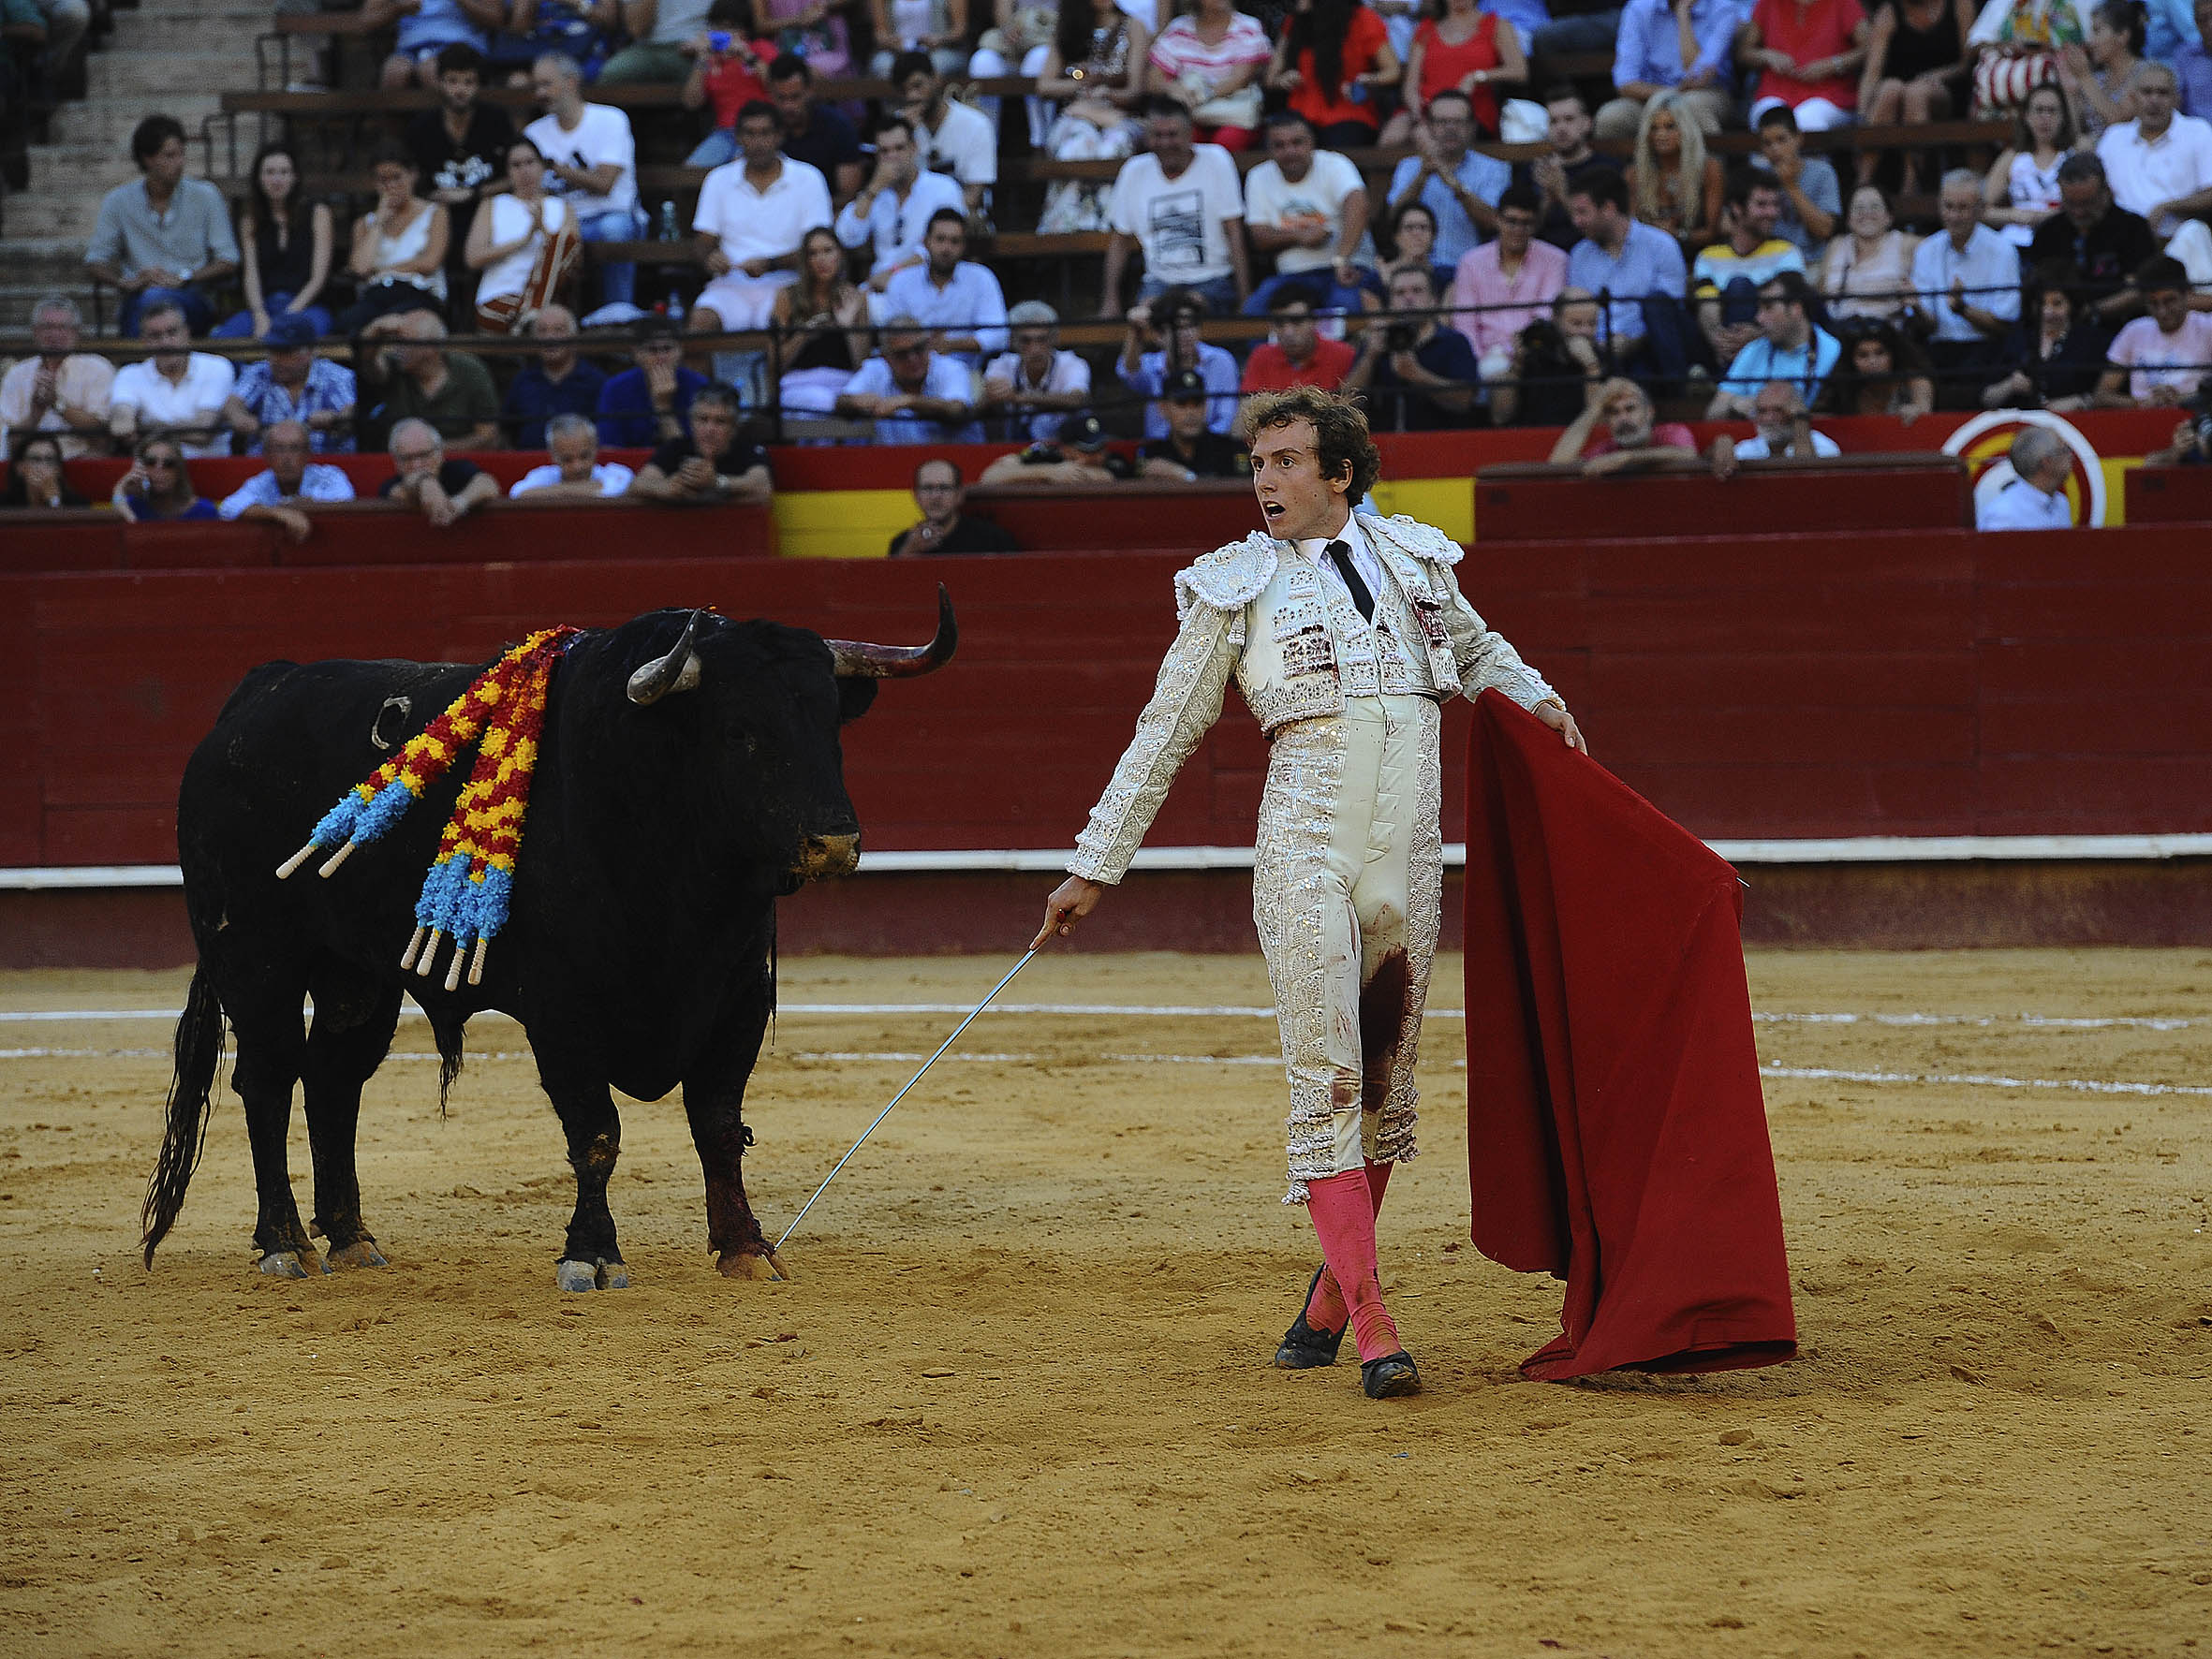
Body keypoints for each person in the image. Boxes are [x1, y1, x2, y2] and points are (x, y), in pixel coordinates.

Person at [1035, 385, 1585, 1403]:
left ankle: (1329, 1301)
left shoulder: (1418, 559)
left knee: (1383, 1086)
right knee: (1330, 1080)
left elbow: (1473, 653)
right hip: (1302, 852)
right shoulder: (1232, 586)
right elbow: (1163, 731)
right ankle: (1376, 1323)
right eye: (1257, 462)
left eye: (1287, 460)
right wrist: (1095, 862)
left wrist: (1538, 699)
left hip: (1404, 861)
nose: (1265, 479)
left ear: (1340, 474)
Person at [691, 99, 835, 340]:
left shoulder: (809, 179)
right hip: (730, 285)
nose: (758, 142)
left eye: (765, 133)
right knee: (699, 325)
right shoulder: (718, 179)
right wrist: (710, 258)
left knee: (778, 328)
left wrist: (771, 265)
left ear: (780, 136)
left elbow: (818, 248)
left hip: (788, 285)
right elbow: (702, 242)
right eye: (750, 134)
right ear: (737, 137)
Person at [84, 114, 240, 337]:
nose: (179, 163)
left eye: (181, 154)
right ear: (148, 159)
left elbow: (229, 260)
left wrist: (185, 277)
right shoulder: (118, 201)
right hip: (139, 293)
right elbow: (94, 261)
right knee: (146, 302)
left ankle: (138, 364)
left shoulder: (205, 195)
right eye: (170, 156)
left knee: (152, 304)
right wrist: (125, 282)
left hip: (192, 295)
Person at [1102, 98, 1250, 316]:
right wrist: (1110, 300)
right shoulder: (1134, 171)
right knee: (1142, 315)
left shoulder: (1216, 160)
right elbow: (1119, 239)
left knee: (1185, 311)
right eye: (1158, 135)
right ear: (1147, 137)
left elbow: (1234, 231)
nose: (1165, 143)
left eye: (1172, 135)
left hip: (1213, 280)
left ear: (1190, 134)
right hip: (1158, 282)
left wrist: (1245, 297)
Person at [524, 51, 644, 308]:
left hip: (610, 216)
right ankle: (548, 320)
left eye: (546, 84)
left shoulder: (610, 119)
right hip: (560, 223)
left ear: (571, 82)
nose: (540, 93)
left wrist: (560, 170)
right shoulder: (534, 132)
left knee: (614, 231)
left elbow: (605, 184)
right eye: (536, 86)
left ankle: (618, 314)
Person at [403, 42, 516, 286]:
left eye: (468, 82)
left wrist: (470, 194)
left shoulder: (496, 122)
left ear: (478, 85)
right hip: (438, 215)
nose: (460, 90)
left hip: (489, 213)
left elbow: (514, 177)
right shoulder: (421, 128)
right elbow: (413, 183)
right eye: (452, 81)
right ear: (440, 82)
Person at [1033, 0, 1149, 236]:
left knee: (1112, 149)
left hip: (1119, 116)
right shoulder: (1067, 28)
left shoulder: (1134, 27)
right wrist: (1080, 87)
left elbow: (1136, 90)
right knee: (1075, 149)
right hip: (1077, 113)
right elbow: (1045, 85)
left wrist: (1106, 92)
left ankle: (1111, 227)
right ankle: (1065, 230)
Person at [1241, 110, 1371, 316]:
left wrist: (1342, 259)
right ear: (1269, 149)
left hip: (1344, 270)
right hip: (1291, 276)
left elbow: (1358, 205)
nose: (1289, 151)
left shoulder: (1335, 164)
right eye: (1279, 145)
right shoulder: (1259, 176)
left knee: (1348, 307)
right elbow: (1259, 237)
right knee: (1254, 311)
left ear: (1312, 142)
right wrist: (1300, 235)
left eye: (1297, 142)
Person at [1909, 168, 2024, 397]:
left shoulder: (2002, 250)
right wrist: (1915, 306)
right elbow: (1928, 326)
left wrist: (1963, 309)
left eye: (1963, 208)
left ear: (1980, 209)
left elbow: (2004, 325)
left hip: (1988, 352)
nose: (1954, 216)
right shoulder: (1926, 250)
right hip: (1938, 351)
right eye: (1948, 206)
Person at [1566, 168, 1692, 375]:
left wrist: (1633, 340)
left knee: (1657, 303)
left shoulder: (1661, 245)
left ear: (1608, 208)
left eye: (1582, 212)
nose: (1575, 222)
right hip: (1599, 349)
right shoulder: (1579, 254)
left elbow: (1670, 314)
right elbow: (1579, 310)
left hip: (1651, 347)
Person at [213, 142, 336, 341]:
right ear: (259, 179)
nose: (277, 180)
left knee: (302, 336)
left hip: (307, 305)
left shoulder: (318, 214)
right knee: (224, 340)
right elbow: (251, 274)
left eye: (284, 172)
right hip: (265, 306)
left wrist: (290, 313)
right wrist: (259, 314)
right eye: (269, 172)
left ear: (295, 177)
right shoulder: (250, 220)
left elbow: (318, 277)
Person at [834, 113, 968, 289]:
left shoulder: (944, 188)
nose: (892, 157)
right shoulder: (875, 193)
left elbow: (940, 248)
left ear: (914, 148)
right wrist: (873, 189)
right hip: (880, 286)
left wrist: (894, 273)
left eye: (899, 148)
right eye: (884, 151)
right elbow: (848, 237)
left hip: (927, 283)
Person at [1381, 88, 1511, 267]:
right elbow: (1394, 217)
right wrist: (1422, 176)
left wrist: (1453, 183)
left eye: (1458, 122)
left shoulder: (1494, 168)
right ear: (1430, 126)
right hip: (1418, 270)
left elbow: (1493, 222)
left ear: (1472, 126)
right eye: (1442, 122)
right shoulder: (1409, 166)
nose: (1450, 128)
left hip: (1471, 271)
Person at [1691, 170, 1808, 370]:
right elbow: (1707, 307)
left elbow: (1791, 311)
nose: (1772, 213)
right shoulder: (1708, 257)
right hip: (1715, 348)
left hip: (1769, 346)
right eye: (1762, 205)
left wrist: (1755, 334)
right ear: (1737, 208)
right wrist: (1720, 339)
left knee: (1740, 285)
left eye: (1775, 205)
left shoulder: (1787, 253)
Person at [466, 136, 583, 332]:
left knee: (563, 238)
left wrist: (544, 231)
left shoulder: (562, 207)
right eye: (516, 165)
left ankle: (533, 315)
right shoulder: (493, 205)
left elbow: (574, 257)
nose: (524, 171)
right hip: (500, 298)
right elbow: (473, 258)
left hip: (549, 308)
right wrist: (525, 239)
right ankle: (533, 316)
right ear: (508, 172)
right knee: (539, 324)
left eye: (530, 162)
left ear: (542, 166)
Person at [1344, 264, 1482, 430]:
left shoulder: (1454, 342)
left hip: (1441, 444)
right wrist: (1369, 357)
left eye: (1417, 291)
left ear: (1434, 300)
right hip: (1382, 445)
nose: (1408, 298)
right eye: (1400, 293)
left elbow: (1464, 400)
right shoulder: (1375, 342)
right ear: (1390, 304)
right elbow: (1346, 403)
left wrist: (1417, 375)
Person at [1856, 0, 1976, 189]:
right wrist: (1861, 116)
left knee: (1917, 92)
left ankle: (1911, 185)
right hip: (1897, 93)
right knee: (1890, 89)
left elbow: (1966, 62)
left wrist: (1936, 76)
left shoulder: (1959, 5)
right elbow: (1872, 72)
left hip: (1947, 88)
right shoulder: (1889, 12)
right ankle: (1863, 183)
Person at [2028, 151, 2160, 316]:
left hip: (2117, 325)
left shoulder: (2134, 228)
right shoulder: (2047, 232)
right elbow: (2035, 290)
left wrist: (2091, 311)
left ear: (2107, 192)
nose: (2078, 212)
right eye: (2070, 203)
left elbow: (2139, 290)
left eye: (2087, 203)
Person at [335, 148, 450, 334]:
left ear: (413, 175)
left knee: (396, 325)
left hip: (417, 293)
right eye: (383, 180)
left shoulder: (435, 212)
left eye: (397, 177)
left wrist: (384, 270)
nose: (390, 186)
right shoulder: (366, 223)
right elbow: (360, 268)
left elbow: (430, 262)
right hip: (376, 295)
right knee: (346, 323)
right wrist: (379, 222)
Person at [880, 208, 1011, 369]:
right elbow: (889, 334)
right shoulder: (901, 281)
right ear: (926, 242)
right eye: (940, 239)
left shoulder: (981, 278)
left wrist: (952, 345)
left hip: (967, 371)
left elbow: (999, 335)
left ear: (964, 245)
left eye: (955, 241)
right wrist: (923, 345)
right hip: (909, 373)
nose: (946, 248)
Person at [1597, 0, 1746, 141]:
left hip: (1709, 92)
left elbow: (1697, 74)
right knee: (1611, 117)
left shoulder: (1723, 8)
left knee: (1692, 105)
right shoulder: (1639, 7)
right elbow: (1625, 82)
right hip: (1651, 94)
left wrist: (1682, 15)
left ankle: (1712, 168)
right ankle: (1629, 169)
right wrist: (1672, 92)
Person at [2094, 58, 2212, 233]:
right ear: (2133, 98)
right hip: (2121, 238)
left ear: (2176, 99)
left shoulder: (2197, 131)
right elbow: (2096, 189)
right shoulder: (2114, 137)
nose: (2154, 100)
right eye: (2146, 92)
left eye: (2162, 93)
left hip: (2179, 239)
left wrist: (2168, 207)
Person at [1267, 0, 1402, 150]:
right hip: (1300, 115)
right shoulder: (1294, 22)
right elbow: (1271, 78)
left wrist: (1369, 79)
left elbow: (1393, 71)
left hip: (1349, 114)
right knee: (1278, 145)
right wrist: (1283, 79)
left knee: (1339, 146)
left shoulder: (1362, 19)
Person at [108, 301, 235, 459]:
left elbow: (202, 433)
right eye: (155, 336)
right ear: (144, 341)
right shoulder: (129, 374)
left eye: (172, 332)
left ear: (187, 333)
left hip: (211, 469)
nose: (165, 342)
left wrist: (145, 428)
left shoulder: (217, 367)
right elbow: (121, 425)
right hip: (154, 473)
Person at [1384, 0, 1526, 141]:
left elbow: (1519, 71)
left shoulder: (1497, 25)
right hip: (1426, 108)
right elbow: (1411, 86)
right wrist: (1419, 118)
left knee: (1438, 137)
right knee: (1392, 137)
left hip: (1472, 109)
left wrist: (1477, 77)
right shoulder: (1426, 28)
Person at [361, 310, 501, 451]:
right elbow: (366, 361)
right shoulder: (393, 369)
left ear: (429, 347)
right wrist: (375, 329)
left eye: (403, 342)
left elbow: (488, 437)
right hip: (405, 462)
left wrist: (431, 451)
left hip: (463, 462)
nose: (397, 349)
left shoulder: (471, 370)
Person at [772, 226, 875, 418]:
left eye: (828, 251)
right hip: (800, 384)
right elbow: (774, 364)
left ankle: (843, 405)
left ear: (840, 255)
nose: (821, 259)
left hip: (844, 383)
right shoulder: (786, 296)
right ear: (805, 260)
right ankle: (840, 405)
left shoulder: (856, 297)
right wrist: (803, 336)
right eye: (813, 253)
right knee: (815, 402)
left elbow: (862, 365)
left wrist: (847, 328)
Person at [1708, 270, 1842, 416]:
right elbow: (1713, 413)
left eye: (1768, 308)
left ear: (1795, 309)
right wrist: (1735, 403)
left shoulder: (1833, 351)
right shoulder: (1754, 349)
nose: (1759, 318)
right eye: (1759, 308)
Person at [221, 315, 359, 454]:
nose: (276, 359)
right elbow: (232, 403)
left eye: (286, 352)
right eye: (273, 351)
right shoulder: (260, 372)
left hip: (324, 465)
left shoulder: (335, 376)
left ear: (311, 352)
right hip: (265, 466)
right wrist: (240, 418)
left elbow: (353, 410)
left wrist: (337, 419)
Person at [1148, 0, 1275, 151]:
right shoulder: (1178, 28)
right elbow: (1153, 80)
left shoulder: (1248, 27)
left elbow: (1240, 79)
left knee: (1226, 143)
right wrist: (1172, 89)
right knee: (1177, 140)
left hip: (1235, 115)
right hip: (1191, 116)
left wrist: (1199, 95)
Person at [1980, 258, 2109, 404]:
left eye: (2057, 303)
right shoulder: (2018, 337)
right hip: (2019, 424)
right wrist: (2010, 385)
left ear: (2072, 305)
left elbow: (2104, 396)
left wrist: (2081, 401)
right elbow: (1986, 398)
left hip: (2072, 424)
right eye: (2041, 303)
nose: (2048, 312)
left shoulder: (2092, 341)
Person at [834, 316, 984, 442]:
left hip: (951, 461)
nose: (912, 358)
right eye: (902, 354)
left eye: (918, 349)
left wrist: (908, 401)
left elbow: (956, 410)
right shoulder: (876, 369)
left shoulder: (951, 368)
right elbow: (842, 401)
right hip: (894, 463)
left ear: (928, 346)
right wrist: (855, 401)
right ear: (887, 357)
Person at [0, 294, 111, 460]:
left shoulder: (98, 368)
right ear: (35, 332)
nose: (55, 334)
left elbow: (102, 437)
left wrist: (57, 404)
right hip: (31, 465)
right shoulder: (17, 374)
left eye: (63, 327)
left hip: (80, 461)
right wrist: (36, 412)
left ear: (76, 332)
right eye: (48, 327)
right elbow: (10, 444)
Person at [1117, 289, 1243, 437]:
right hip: (1161, 450)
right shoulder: (1151, 364)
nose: (1187, 334)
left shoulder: (1221, 360)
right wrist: (1135, 331)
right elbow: (1128, 371)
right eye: (1178, 328)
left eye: (1191, 326)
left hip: (1211, 447)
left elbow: (1226, 418)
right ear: (1159, 336)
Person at [626, 382, 775, 503]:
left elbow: (763, 486)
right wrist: (665, 488)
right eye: (703, 419)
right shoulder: (676, 447)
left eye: (720, 421)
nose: (710, 429)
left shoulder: (747, 449)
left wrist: (716, 482)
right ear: (691, 422)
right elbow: (637, 485)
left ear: (734, 427)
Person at [1737, 0, 1872, 132]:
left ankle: (1814, 156)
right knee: (1768, 118)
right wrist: (1767, 56)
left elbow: (1869, 48)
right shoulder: (1768, 3)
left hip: (1830, 94)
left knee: (1808, 120)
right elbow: (1744, 52)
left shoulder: (1844, 3)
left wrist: (1833, 64)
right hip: (1777, 90)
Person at [2096, 251, 2212, 398]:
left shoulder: (2207, 328)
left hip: (2196, 416)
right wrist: (2140, 404)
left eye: (2170, 301)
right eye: (2153, 303)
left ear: (2186, 294)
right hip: (2143, 417)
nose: (2162, 311)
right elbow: (2102, 394)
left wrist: (2183, 399)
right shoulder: (2134, 331)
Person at [894, 50, 997, 217]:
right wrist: (907, 134)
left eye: (917, 85)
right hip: (910, 220)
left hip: (961, 223)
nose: (912, 96)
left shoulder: (976, 124)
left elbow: (974, 195)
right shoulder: (899, 127)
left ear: (936, 78)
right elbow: (893, 186)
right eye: (905, 90)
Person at [216, 419, 357, 540]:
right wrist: (278, 513)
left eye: (294, 448)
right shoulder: (262, 481)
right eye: (279, 449)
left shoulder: (330, 476)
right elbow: (227, 508)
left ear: (308, 454)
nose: (287, 458)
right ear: (267, 456)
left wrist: (300, 507)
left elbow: (346, 503)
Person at [1488, 285, 1608, 424]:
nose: (1585, 331)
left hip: (1583, 440)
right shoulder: (1534, 355)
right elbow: (1500, 417)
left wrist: (1591, 368)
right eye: (1576, 323)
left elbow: (1602, 424)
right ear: (1555, 319)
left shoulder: (1604, 359)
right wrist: (1517, 365)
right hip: (1534, 439)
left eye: (1592, 324)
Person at [680, 4, 782, 167]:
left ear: (744, 30)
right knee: (691, 169)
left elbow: (779, 87)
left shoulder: (761, 48)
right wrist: (701, 59)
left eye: (730, 28)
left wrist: (747, 55)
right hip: (725, 133)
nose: (723, 33)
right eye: (717, 27)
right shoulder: (709, 59)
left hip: (761, 130)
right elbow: (691, 103)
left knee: (741, 165)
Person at [1624, 92, 1722, 252]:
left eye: (1670, 127)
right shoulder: (1634, 174)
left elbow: (1711, 232)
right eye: (1654, 128)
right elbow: (1630, 232)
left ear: (1685, 129)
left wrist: (1677, 235)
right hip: (1649, 258)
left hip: (1697, 255)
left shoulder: (1709, 168)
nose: (1661, 135)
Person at [982, 300, 1094, 440]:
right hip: (1016, 449)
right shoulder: (1002, 364)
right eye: (1025, 341)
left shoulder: (1072, 363)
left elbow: (1076, 399)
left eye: (1042, 340)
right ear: (1012, 341)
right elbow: (985, 401)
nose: (1035, 349)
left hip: (1068, 448)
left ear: (1054, 339)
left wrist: (1018, 397)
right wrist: (991, 395)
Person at [1983, 81, 2077, 246]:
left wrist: (2046, 217)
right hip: (2016, 240)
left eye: (2052, 111)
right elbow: (1983, 210)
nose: (2045, 118)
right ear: (2026, 116)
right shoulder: (2012, 157)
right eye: (2039, 110)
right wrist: (2016, 215)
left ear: (2063, 117)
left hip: (2064, 239)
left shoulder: (2075, 154)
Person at [763, 52, 865, 202]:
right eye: (781, 98)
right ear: (771, 94)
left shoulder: (838, 127)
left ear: (809, 91)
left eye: (795, 97)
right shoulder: (763, 131)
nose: (788, 106)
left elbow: (847, 194)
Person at [502, 304, 608, 449]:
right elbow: (506, 433)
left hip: (578, 467)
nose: (550, 338)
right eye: (542, 331)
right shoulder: (522, 382)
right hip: (528, 465)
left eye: (558, 330)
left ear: (573, 337)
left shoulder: (596, 382)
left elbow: (605, 436)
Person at [597, 315, 710, 447]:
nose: (661, 357)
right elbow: (610, 447)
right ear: (636, 353)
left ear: (680, 350)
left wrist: (663, 406)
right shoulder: (614, 389)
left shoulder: (701, 387)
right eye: (653, 350)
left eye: (667, 349)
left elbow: (691, 453)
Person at [1521, 82, 1609, 251]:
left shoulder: (1606, 168)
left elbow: (1605, 232)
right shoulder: (1533, 171)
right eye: (1553, 121)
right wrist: (1546, 199)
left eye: (1569, 119)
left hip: (1595, 256)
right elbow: (1519, 234)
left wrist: (1562, 191)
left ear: (1587, 123)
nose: (1561, 128)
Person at [1548, 375, 1703, 471]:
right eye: (1614, 413)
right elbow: (1558, 464)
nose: (1623, 418)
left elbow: (1687, 454)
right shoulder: (1608, 448)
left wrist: (1626, 457)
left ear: (1649, 412)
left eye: (1630, 409)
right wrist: (1595, 407)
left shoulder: (1670, 432)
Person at [1750, 104, 1841, 259]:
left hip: (1812, 261)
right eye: (1767, 143)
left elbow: (1825, 230)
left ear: (1798, 137)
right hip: (1768, 260)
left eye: (1781, 140)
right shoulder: (1758, 177)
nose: (1775, 149)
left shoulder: (1822, 172)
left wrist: (1790, 186)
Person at [1821, 184, 1921, 318]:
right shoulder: (1837, 245)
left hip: (1886, 331)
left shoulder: (1906, 243)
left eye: (1875, 207)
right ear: (1849, 219)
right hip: (1838, 329)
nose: (1866, 213)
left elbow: (1940, 243)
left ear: (1889, 217)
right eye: (1858, 208)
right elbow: (1821, 291)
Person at [380, 417, 503, 524]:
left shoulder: (457, 469)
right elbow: (400, 491)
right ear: (396, 461)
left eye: (424, 455)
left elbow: (488, 484)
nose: (416, 464)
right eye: (407, 458)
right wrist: (425, 482)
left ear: (439, 453)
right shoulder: (390, 484)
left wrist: (459, 503)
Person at [1709, 377, 1842, 476]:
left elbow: (1807, 480)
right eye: (1762, 411)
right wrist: (1722, 443)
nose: (1768, 419)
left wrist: (1801, 422)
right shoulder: (1749, 447)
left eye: (1778, 410)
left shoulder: (1822, 445)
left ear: (1795, 411)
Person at [2059, 0, 2152, 139]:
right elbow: (2076, 132)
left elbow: (2117, 122)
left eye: (2097, 31)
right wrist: (2070, 91)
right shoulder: (2097, 78)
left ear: (2122, 35)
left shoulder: (2145, 73)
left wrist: (2084, 77)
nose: (2090, 41)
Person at [888, 456, 1021, 552]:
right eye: (927, 488)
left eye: (944, 488)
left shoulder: (993, 540)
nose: (936, 496)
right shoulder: (902, 544)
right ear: (916, 496)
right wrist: (910, 551)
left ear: (959, 495)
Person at [1242, 283, 1360, 390]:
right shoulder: (1260, 357)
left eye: (1297, 321)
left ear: (1314, 321)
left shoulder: (1343, 355)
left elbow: (1352, 407)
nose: (1288, 332)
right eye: (1279, 323)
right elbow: (1246, 410)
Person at [366, 0, 504, 89]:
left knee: (430, 70)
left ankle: (445, 133)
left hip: (460, 46)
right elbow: (365, 22)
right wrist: (397, 7)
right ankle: (400, 135)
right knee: (394, 73)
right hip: (409, 47)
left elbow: (496, 18)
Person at [1141, 366, 1254, 476]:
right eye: (1181, 404)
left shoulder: (1230, 451)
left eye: (1197, 404)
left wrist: (1185, 476)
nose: (1191, 412)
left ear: (1205, 406)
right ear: (1163, 408)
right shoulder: (1152, 454)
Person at [980, 409, 1138, 484]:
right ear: (1066, 450)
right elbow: (989, 477)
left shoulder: (1116, 461)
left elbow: (1107, 478)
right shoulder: (1046, 455)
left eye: (1101, 448)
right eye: (1089, 451)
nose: (1100, 456)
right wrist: (1050, 472)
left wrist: (1082, 472)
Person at [1824, 315, 1938, 415]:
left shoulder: (1915, 382)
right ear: (1850, 360)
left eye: (1880, 353)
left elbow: (1923, 409)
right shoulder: (1845, 390)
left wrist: (1916, 411)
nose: (1873, 361)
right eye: (1863, 355)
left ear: (1893, 354)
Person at [509, 411, 639, 496]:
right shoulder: (543, 475)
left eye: (584, 456)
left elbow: (613, 490)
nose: (578, 467)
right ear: (553, 456)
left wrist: (553, 491)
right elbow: (517, 493)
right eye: (567, 459)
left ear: (595, 448)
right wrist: (573, 489)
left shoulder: (617, 472)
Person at [1974, 422, 2076, 525]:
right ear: (2047, 462)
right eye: (2064, 450)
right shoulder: (2003, 515)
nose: (2071, 456)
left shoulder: (2061, 503)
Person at [599, 0, 721, 81]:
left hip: (697, 48)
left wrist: (708, 41)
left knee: (713, 79)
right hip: (646, 49)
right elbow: (636, 29)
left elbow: (731, 15)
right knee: (610, 75)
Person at [1365, 201, 1459, 302]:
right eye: (1409, 228)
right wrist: (1388, 285)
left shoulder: (1449, 277)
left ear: (1433, 236)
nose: (1417, 233)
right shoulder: (1374, 281)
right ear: (1396, 236)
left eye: (1423, 227)